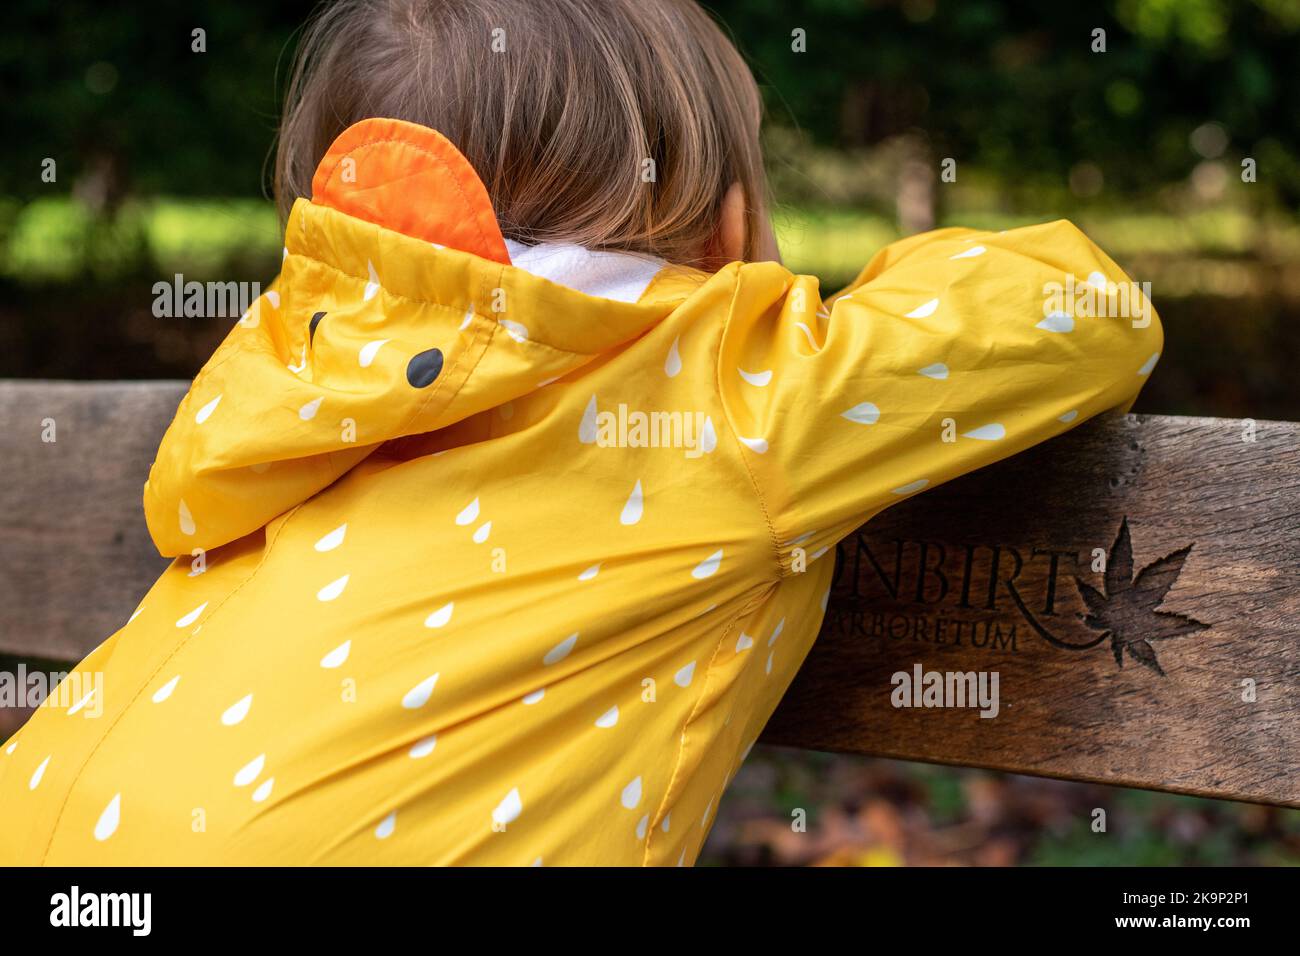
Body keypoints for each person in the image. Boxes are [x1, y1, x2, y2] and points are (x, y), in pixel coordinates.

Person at [0, 0, 1162, 865]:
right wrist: (793, 313)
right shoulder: (724, 389)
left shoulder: (306, 386)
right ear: (728, 218)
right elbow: (1088, 308)